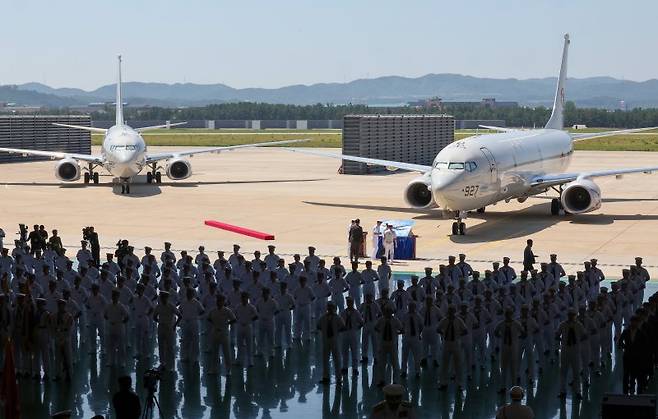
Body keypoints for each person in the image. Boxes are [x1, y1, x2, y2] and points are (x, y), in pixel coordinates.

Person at [317, 302, 345, 384]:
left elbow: (343, 327)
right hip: (326, 340)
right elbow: (318, 326)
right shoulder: (323, 317)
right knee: (325, 359)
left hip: (334, 341)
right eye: (328, 307)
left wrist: (336, 333)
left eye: (331, 308)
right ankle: (326, 377)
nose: (329, 309)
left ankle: (339, 378)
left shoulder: (338, 318)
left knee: (337, 359)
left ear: (334, 308)